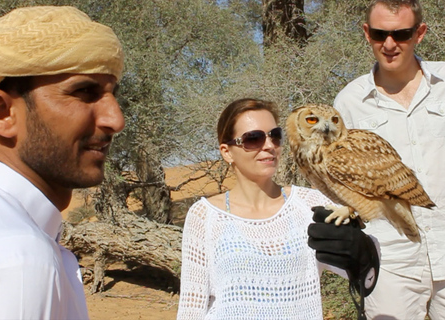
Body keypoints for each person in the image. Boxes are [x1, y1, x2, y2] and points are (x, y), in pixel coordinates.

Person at [0, 6, 124, 319]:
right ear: (1, 113)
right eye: (84, 92)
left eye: (112, 94)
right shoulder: (18, 259)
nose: (115, 119)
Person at [177, 98, 379, 319]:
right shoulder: (204, 215)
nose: (269, 146)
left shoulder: (311, 204)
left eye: (274, 135)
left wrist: (364, 253)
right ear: (227, 152)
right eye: (252, 138)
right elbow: (191, 307)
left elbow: (365, 276)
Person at [333, 0, 445, 318]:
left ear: (420, 33)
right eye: (380, 34)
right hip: (390, 257)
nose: (390, 44)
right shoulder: (349, 103)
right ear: (367, 33)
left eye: (402, 34)